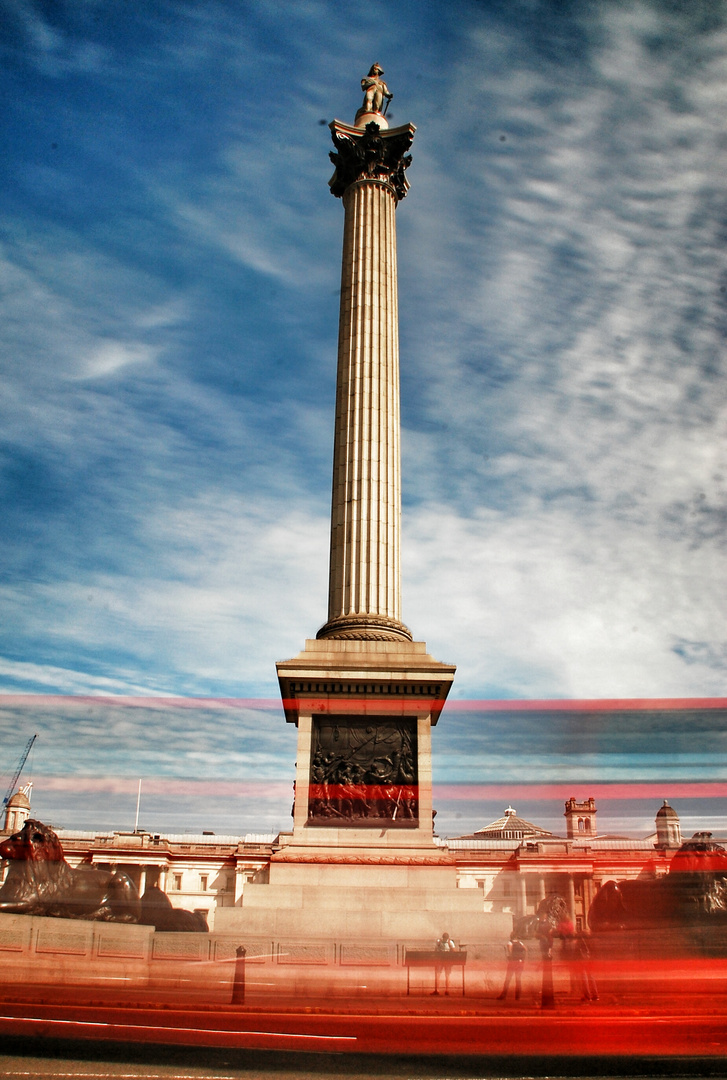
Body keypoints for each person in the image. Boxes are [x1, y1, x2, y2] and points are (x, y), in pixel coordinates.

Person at [498, 934, 527, 1000]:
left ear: (511, 936)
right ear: (516, 937)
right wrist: (522, 957)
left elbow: (510, 951)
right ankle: (517, 996)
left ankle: (503, 995)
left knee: (508, 979)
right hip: (520, 962)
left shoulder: (510, 942)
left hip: (513, 963)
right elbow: (525, 949)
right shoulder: (520, 942)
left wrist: (510, 957)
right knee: (518, 979)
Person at [577, 931, 599, 1002]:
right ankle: (595, 995)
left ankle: (587, 996)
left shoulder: (580, 941)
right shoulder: (591, 941)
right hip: (590, 960)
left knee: (584, 977)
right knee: (591, 976)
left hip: (582, 960)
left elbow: (577, 952)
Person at [432, 931, 455, 995]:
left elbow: (435, 951)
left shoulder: (446, 942)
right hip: (445, 960)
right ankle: (443, 990)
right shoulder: (449, 942)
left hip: (443, 960)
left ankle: (442, 990)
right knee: (443, 975)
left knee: (441, 975)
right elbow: (454, 951)